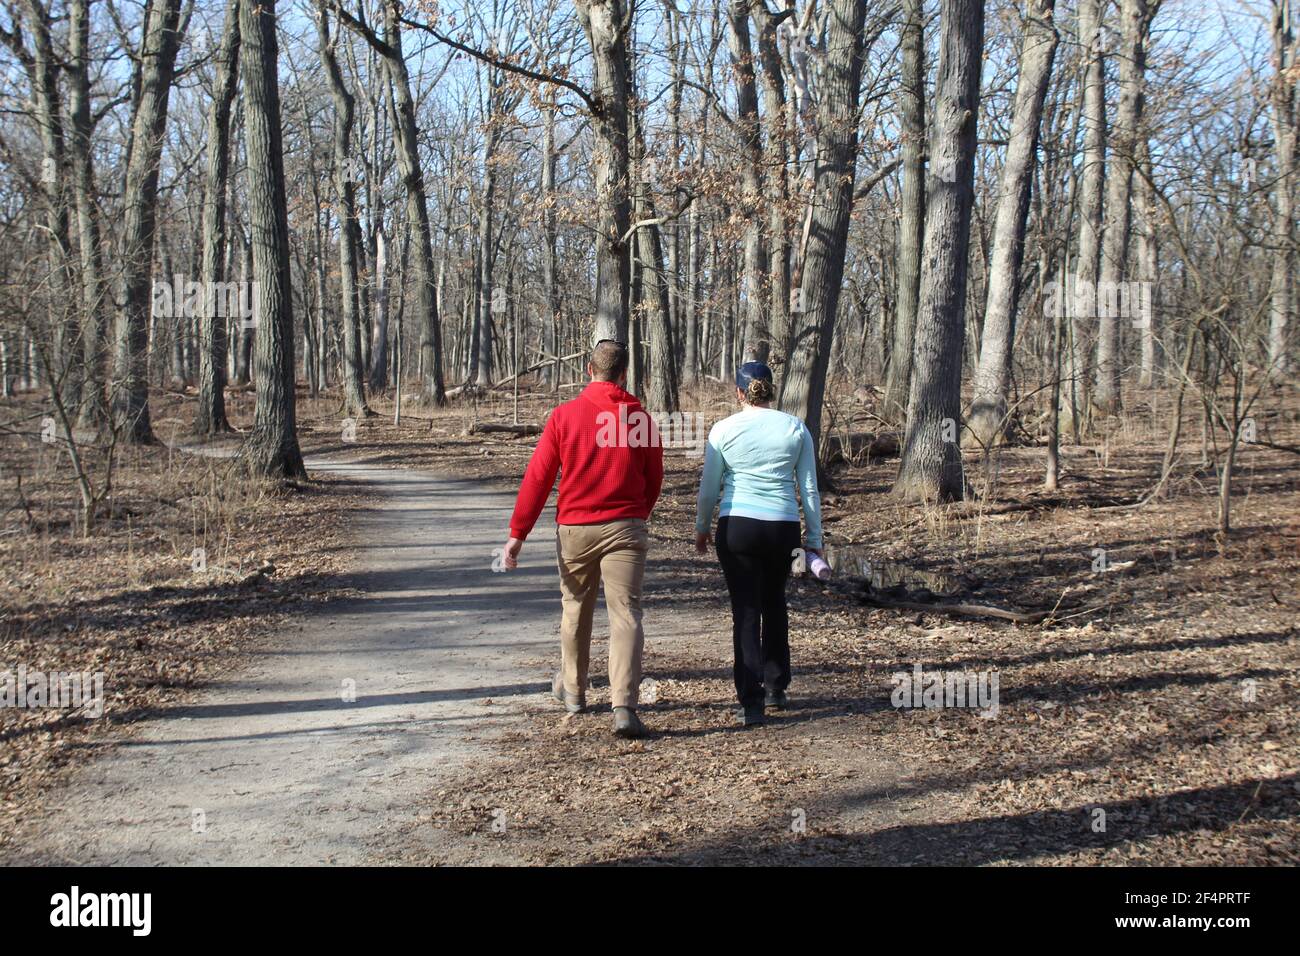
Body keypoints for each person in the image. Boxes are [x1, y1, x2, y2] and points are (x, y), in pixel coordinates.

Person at [502, 340, 664, 739]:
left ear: (588, 370)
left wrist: (516, 534)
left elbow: (538, 478)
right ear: (624, 374)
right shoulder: (639, 418)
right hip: (625, 526)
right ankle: (623, 705)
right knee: (626, 613)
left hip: (575, 529)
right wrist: (637, 514)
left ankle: (574, 691)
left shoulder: (564, 416)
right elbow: (654, 476)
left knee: (575, 608)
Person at [695, 361, 823, 727]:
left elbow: (709, 489)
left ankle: (751, 701)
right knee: (775, 603)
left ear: (739, 392)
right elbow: (809, 489)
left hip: (739, 527)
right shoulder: (795, 428)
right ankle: (776, 687)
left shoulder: (724, 430)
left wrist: (703, 528)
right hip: (782, 527)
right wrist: (814, 540)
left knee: (746, 611)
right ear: (772, 389)